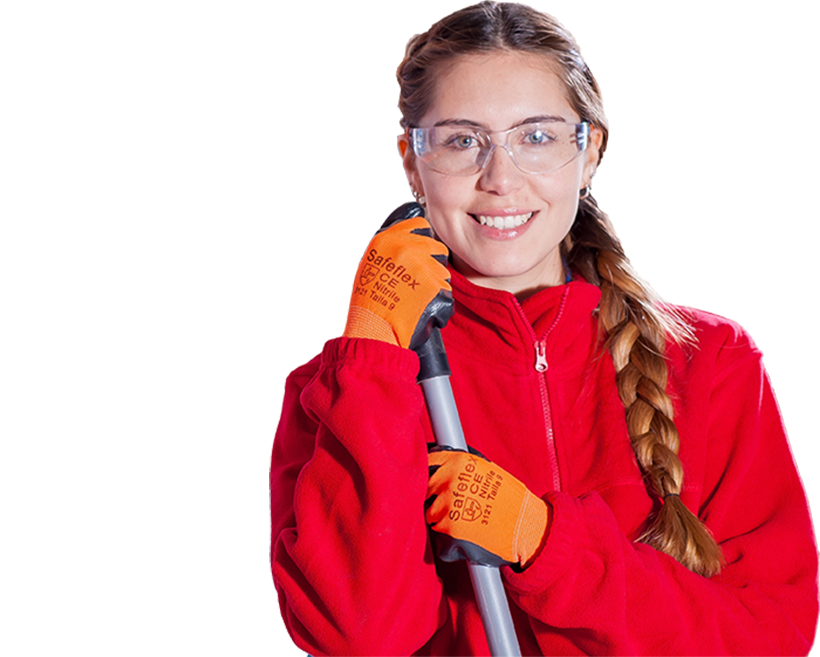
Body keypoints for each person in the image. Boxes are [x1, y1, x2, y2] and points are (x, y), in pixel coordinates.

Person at [270, 4, 819, 655]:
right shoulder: (344, 387)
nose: (501, 180)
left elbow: (769, 634)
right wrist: (371, 356)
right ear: (412, 163)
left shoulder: (710, 363)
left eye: (536, 137)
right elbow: (357, 636)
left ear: (588, 155)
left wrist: (544, 542)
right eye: (461, 140)